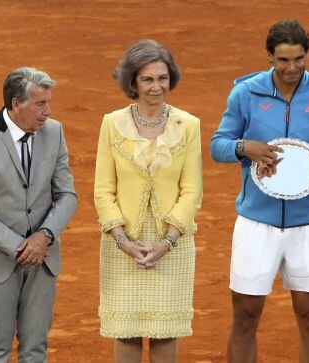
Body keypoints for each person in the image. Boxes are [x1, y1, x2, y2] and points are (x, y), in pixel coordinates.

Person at [211, 19, 309, 363]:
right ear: (270, 57)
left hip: (308, 226)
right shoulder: (245, 94)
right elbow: (219, 145)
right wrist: (246, 148)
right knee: (245, 317)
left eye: (299, 59)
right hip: (256, 224)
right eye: (284, 60)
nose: (292, 68)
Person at [0, 67, 77, 362]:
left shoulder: (54, 132)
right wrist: (20, 246)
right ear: (15, 104)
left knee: (35, 350)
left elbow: (67, 195)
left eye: (48, 102)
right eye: (40, 104)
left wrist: (44, 236)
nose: (48, 111)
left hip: (43, 261)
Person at [94, 39, 203, 363]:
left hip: (172, 245)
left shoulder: (189, 125)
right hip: (122, 245)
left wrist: (166, 243)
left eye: (162, 78)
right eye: (148, 79)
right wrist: (123, 241)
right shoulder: (112, 124)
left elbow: (192, 190)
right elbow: (103, 190)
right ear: (133, 82)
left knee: (165, 332)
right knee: (125, 331)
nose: (157, 87)